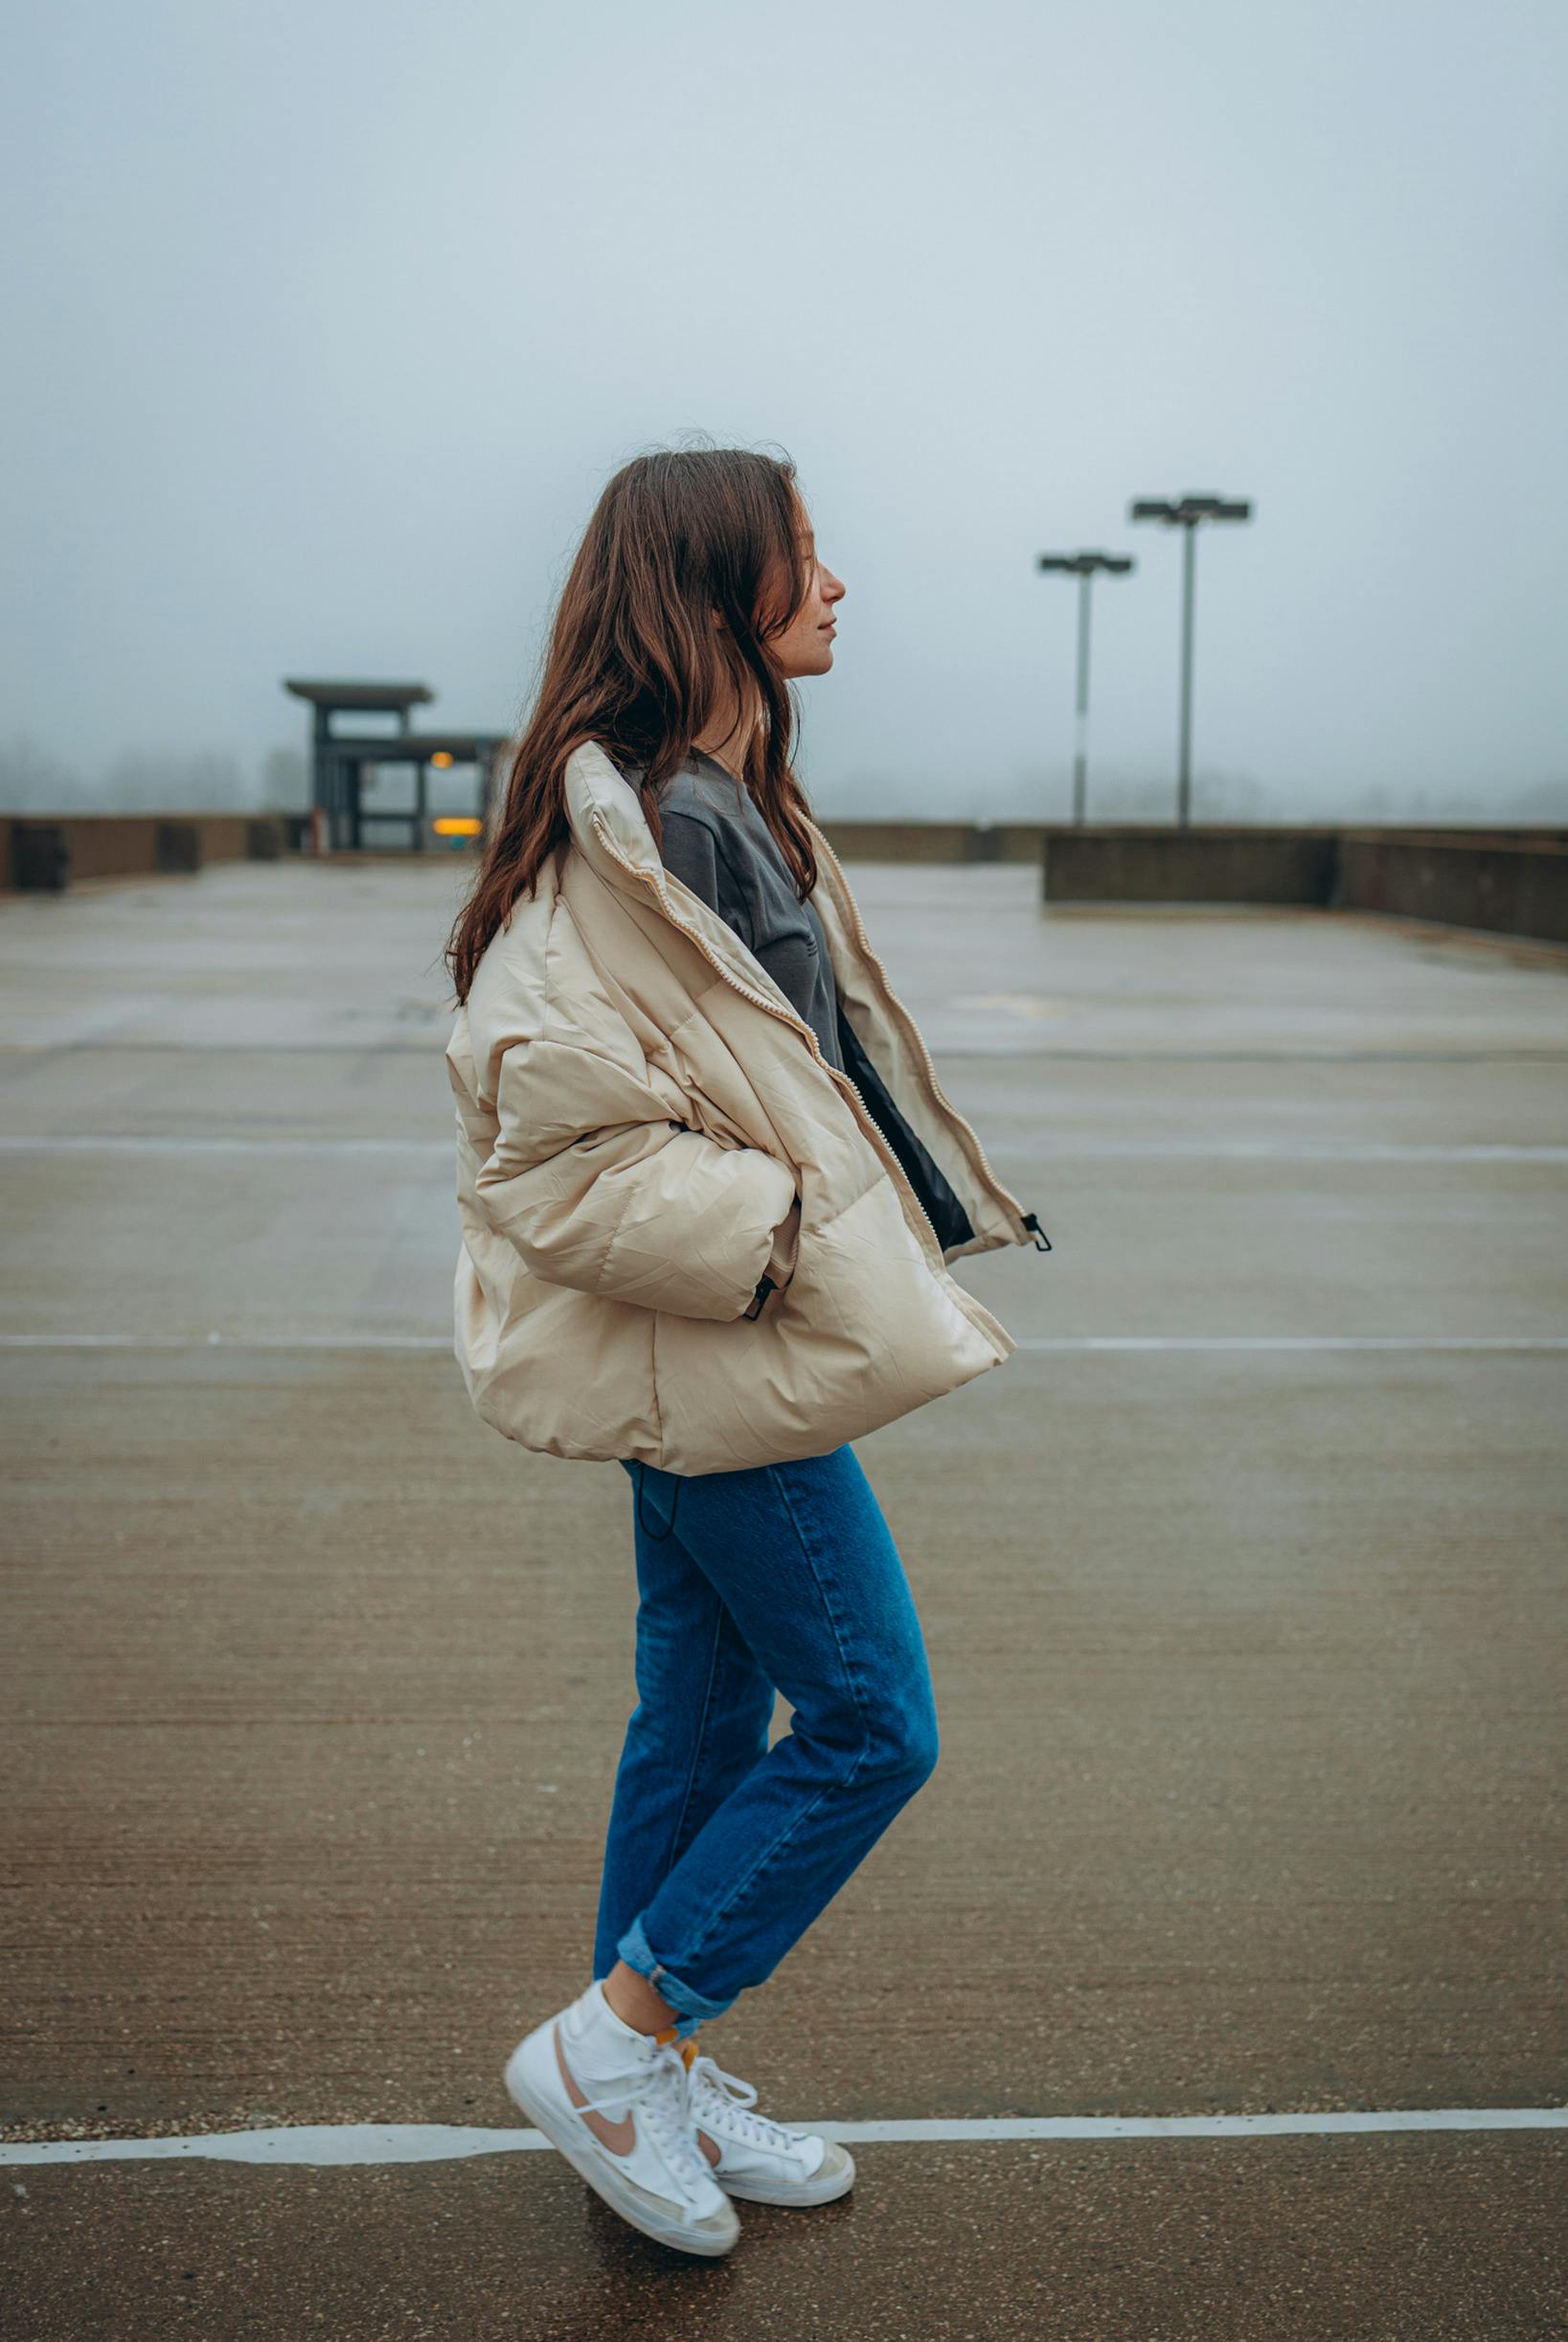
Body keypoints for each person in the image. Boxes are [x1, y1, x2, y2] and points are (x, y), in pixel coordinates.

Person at [442, 445, 1051, 2257]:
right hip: (721, 1350)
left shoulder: (722, 796)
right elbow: (548, 1146)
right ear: (717, 588)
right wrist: (782, 1242)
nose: (840, 583)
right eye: (807, 555)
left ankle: (648, 2059)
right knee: (871, 1720)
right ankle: (619, 2038)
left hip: (711, 1351)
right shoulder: (654, 819)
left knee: (702, 1710)